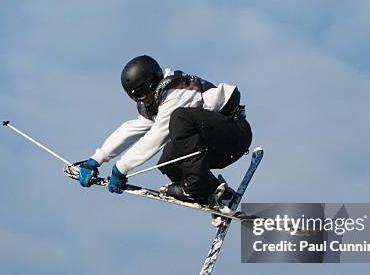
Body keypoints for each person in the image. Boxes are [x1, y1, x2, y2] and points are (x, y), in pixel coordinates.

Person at [68, 55, 252, 206]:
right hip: (214, 144)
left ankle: (198, 189)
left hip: (234, 134)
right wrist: (96, 159)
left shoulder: (177, 93)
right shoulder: (156, 101)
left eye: (141, 94)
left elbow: (156, 136)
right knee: (167, 161)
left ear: (152, 83)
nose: (141, 101)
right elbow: (132, 129)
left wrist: (121, 168)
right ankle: (217, 195)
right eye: (135, 99)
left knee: (180, 119)